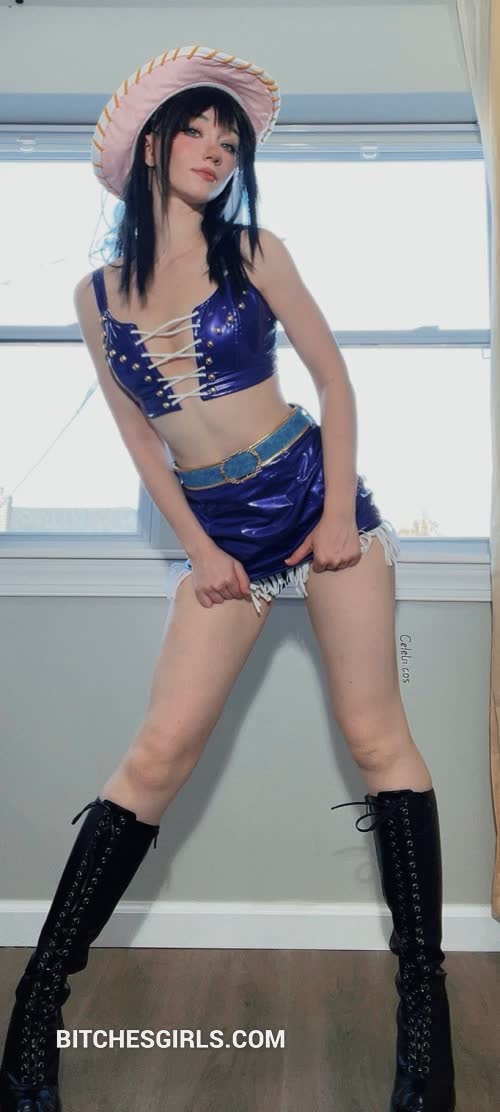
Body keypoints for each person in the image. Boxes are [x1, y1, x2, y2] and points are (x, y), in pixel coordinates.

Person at [0, 44, 455, 1112]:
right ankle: (33, 1016)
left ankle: (422, 1020)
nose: (215, 149)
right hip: (218, 529)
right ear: (153, 145)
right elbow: (138, 438)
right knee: (158, 753)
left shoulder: (253, 250)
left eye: (231, 138)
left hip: (311, 489)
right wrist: (202, 550)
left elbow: (334, 379)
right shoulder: (95, 295)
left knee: (376, 737)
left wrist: (336, 513)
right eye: (197, 130)